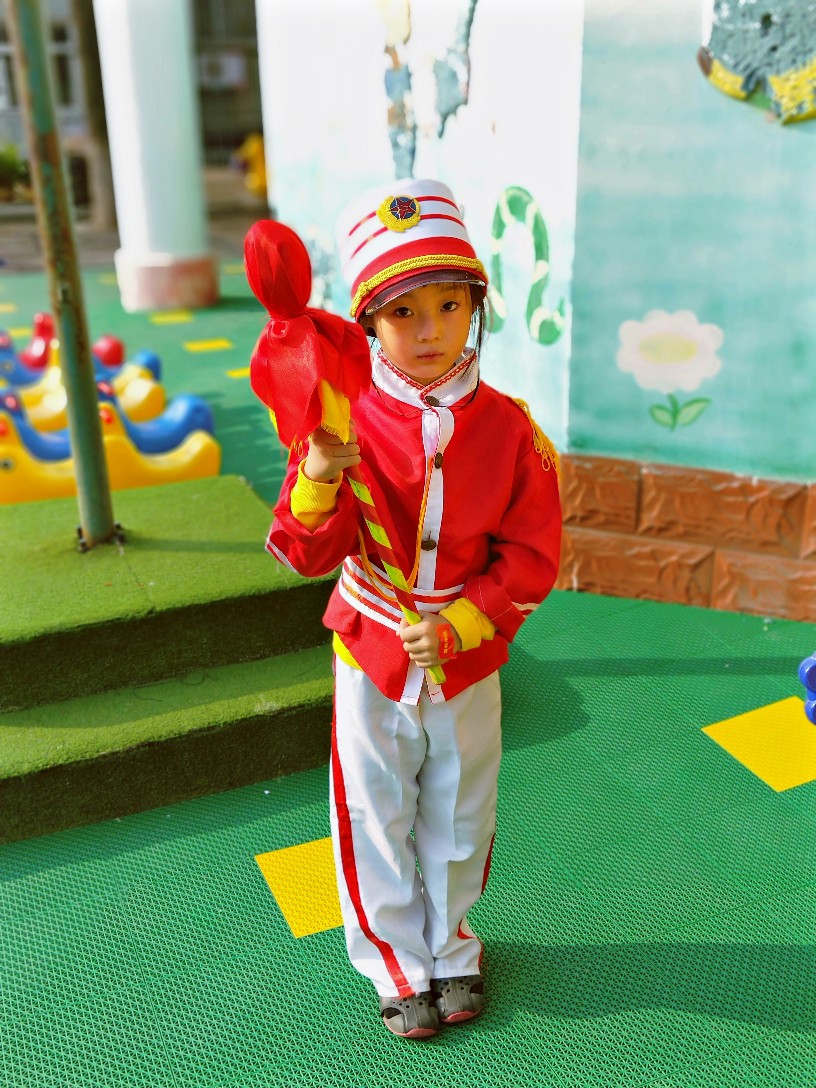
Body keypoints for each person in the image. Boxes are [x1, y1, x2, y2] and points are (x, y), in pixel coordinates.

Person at [265, 178, 562, 1039]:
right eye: (403, 312)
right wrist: (318, 478)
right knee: (371, 814)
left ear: (476, 310)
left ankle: (453, 945)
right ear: (369, 323)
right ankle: (397, 965)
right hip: (371, 649)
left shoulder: (513, 431)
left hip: (465, 659)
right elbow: (301, 551)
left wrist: (466, 621)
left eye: (448, 305)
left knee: (463, 813)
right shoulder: (339, 423)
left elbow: (533, 555)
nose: (430, 330)